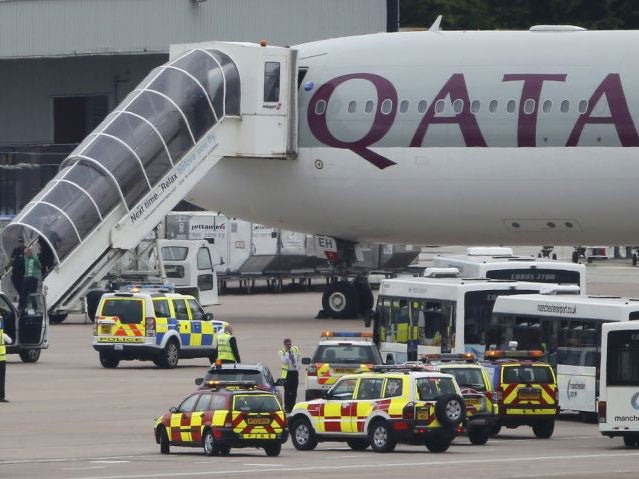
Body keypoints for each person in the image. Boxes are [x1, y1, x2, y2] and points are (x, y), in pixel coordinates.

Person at [279, 338, 301, 412]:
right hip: (287, 374)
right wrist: (288, 353)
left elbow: (298, 357)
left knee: (294, 391)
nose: (289, 346)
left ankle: (293, 406)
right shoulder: (282, 352)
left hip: (294, 372)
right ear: (284, 345)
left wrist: (298, 366)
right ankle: (287, 407)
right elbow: (284, 361)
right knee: (287, 391)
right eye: (287, 345)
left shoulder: (295, 349)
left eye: (290, 344)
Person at [0, 314, 12, 402]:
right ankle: (1, 396)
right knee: (1, 379)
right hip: (2, 360)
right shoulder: (2, 336)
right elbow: (10, 341)